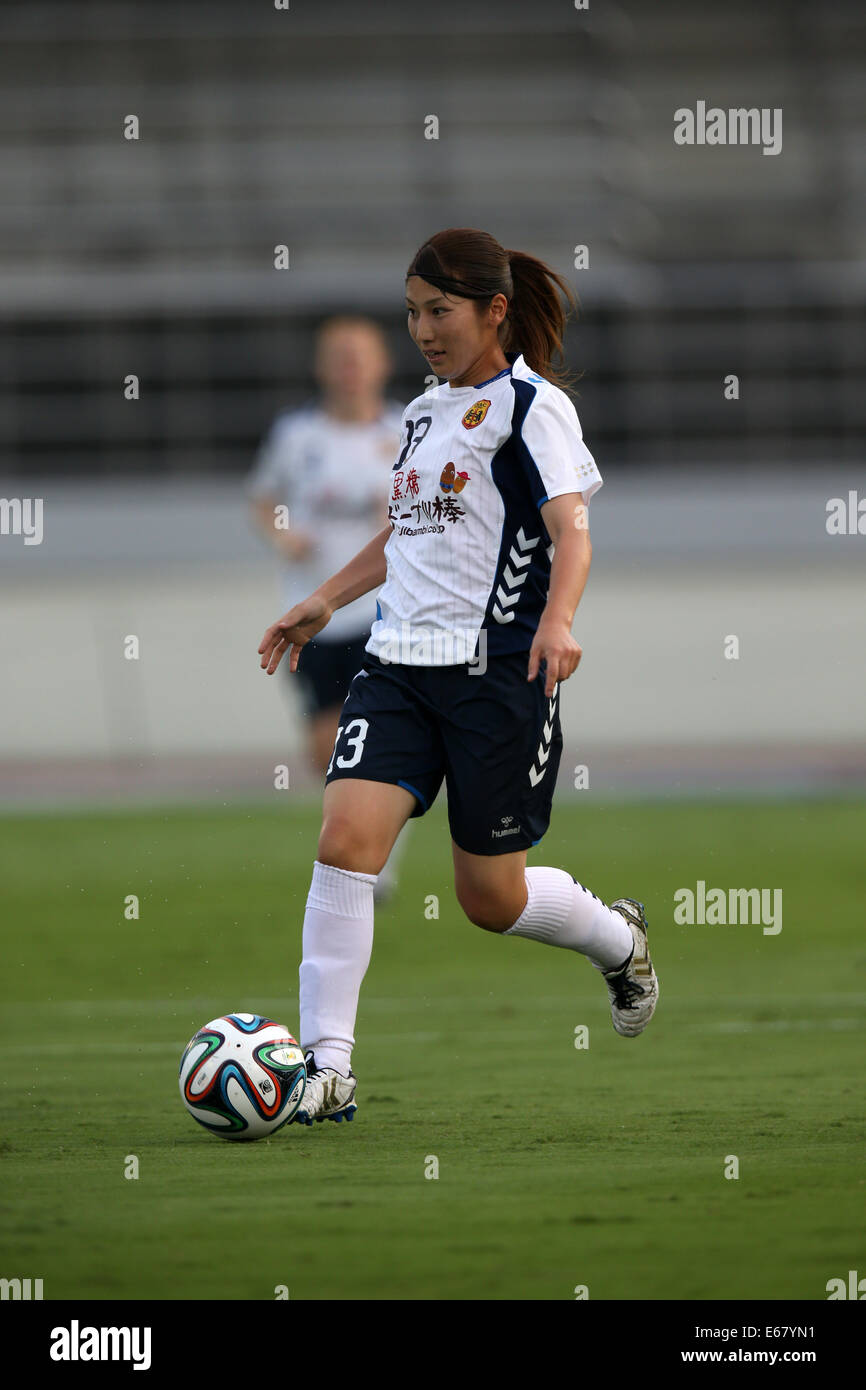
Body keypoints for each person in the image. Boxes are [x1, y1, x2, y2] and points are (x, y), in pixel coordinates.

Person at [258, 228, 659, 1126]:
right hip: (395, 666)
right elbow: (408, 532)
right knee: (342, 844)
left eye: (439, 310)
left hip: (495, 681)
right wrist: (326, 597)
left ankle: (617, 939)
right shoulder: (423, 412)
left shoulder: (533, 407)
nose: (424, 329)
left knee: (491, 898)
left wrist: (558, 620)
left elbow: (572, 531)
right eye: (412, 312)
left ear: (494, 311)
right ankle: (328, 1070)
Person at [248, 316, 407, 898]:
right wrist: (285, 536)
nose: (350, 367)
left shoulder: (405, 428)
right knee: (325, 746)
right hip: (311, 609)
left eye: (360, 355)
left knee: (371, 734)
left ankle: (373, 861)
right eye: (338, 356)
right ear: (321, 367)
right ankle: (359, 840)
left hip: (383, 612)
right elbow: (263, 502)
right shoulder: (296, 435)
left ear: (382, 363)